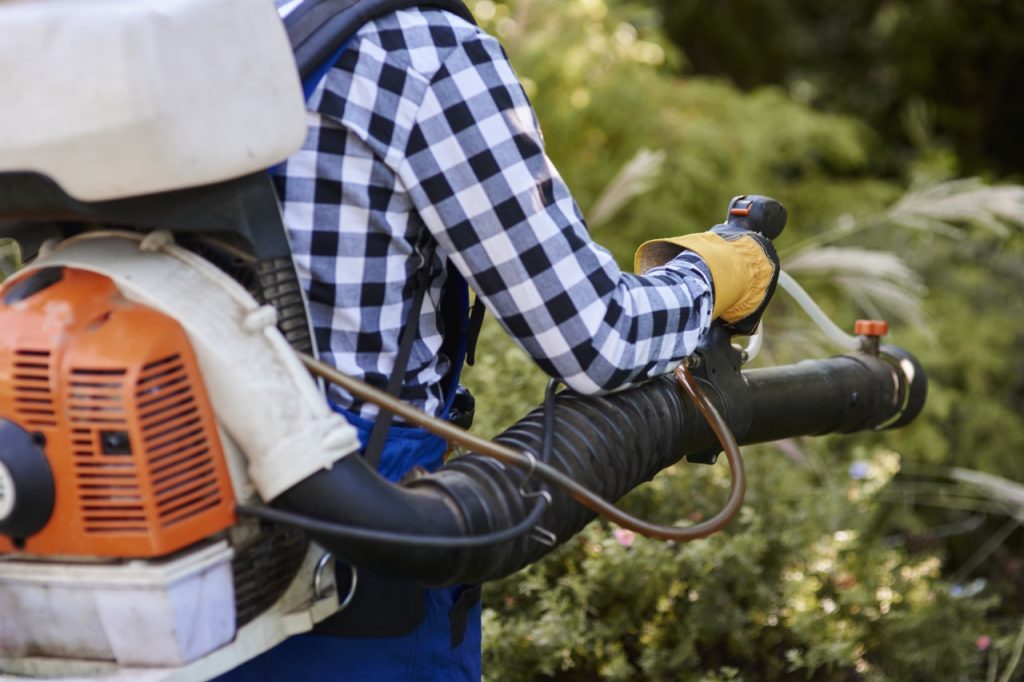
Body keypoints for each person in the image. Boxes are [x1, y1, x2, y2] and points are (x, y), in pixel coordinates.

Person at [219, 2, 777, 680]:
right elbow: (598, 338)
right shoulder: (415, 52)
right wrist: (717, 272)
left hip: (103, 505)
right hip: (356, 545)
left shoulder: (125, 30)